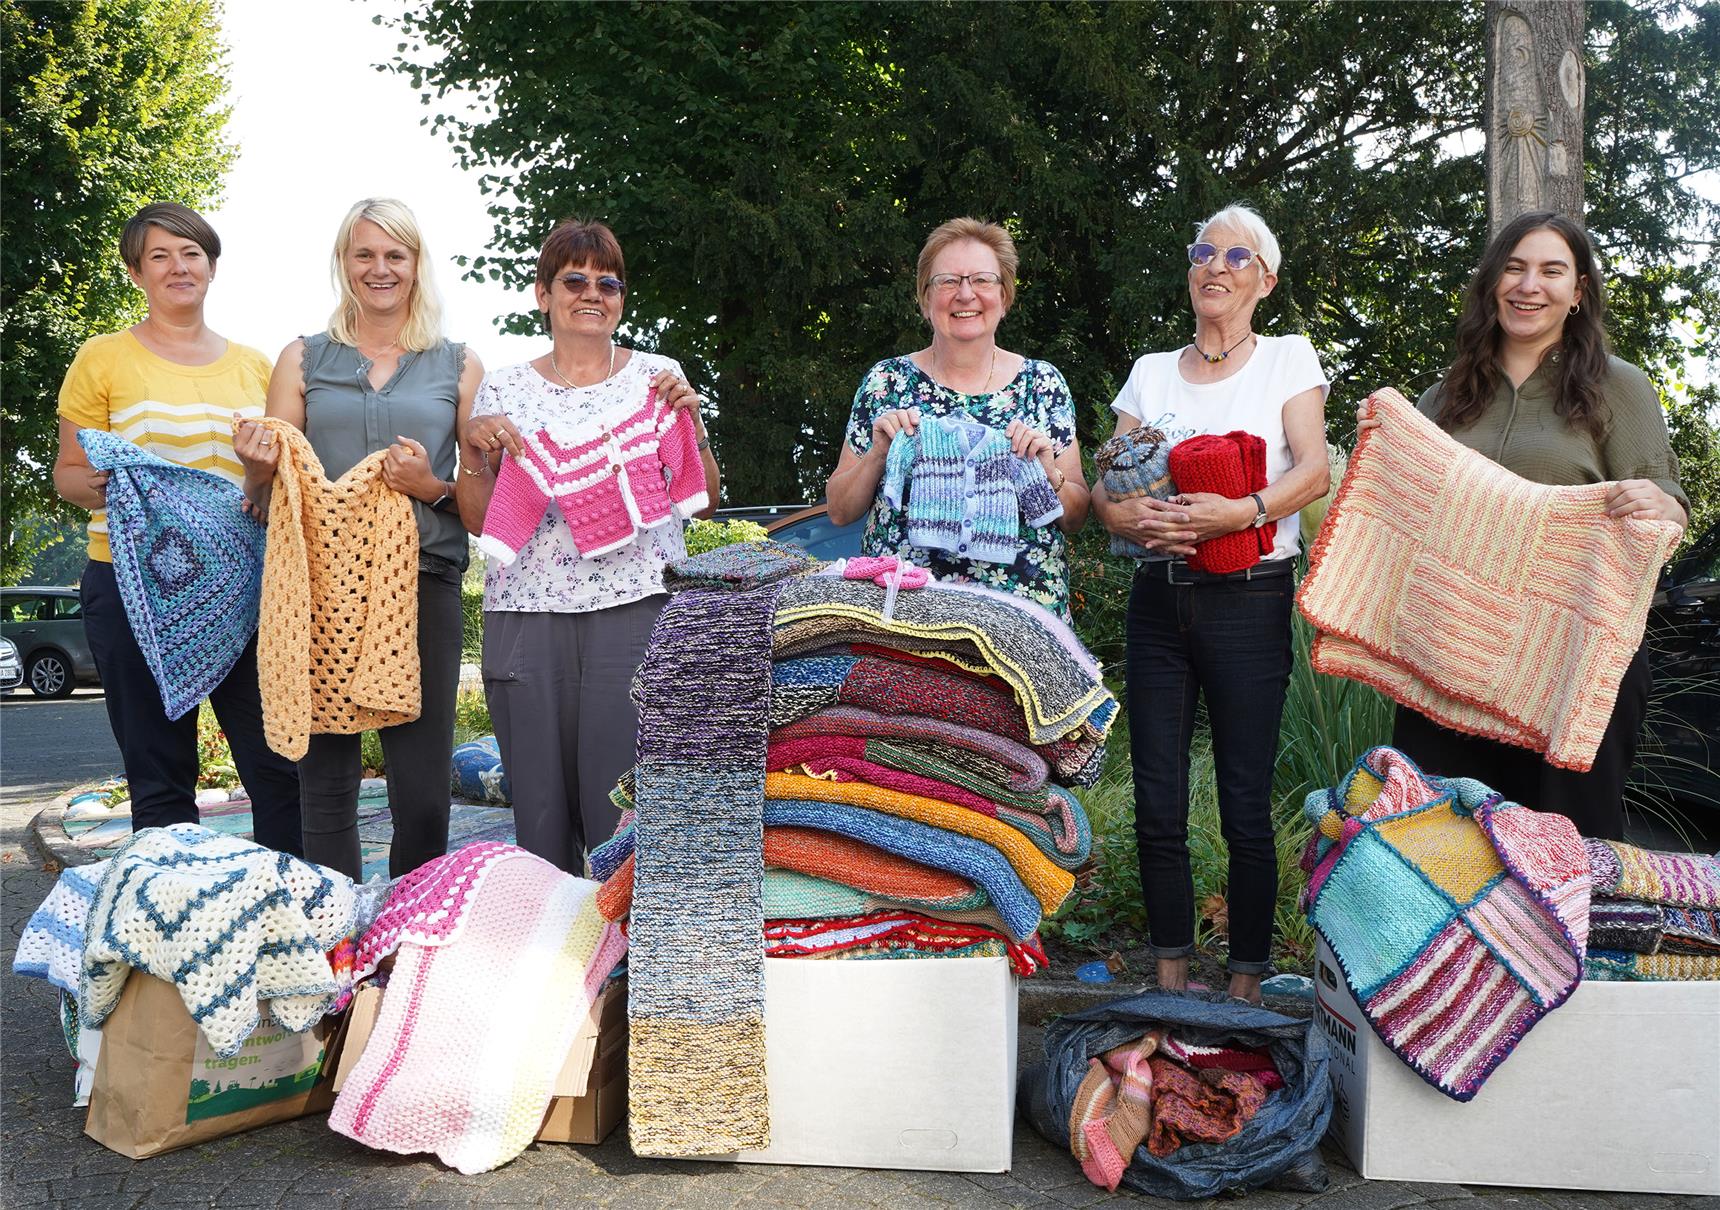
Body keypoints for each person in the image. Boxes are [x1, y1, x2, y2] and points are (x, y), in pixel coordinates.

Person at [1359, 210, 1687, 841]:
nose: (1528, 285)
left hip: (1577, 658)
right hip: (1450, 653)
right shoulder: (1446, 396)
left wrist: (1662, 504)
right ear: (1491, 284)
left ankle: (1568, 946)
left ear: (1578, 292)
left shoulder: (1617, 387)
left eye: (1551, 271)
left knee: (1567, 845)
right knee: (1439, 846)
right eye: (1514, 268)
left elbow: (1669, 506)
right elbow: (1405, 516)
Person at [1092, 203, 1331, 1003]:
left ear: (1265, 279)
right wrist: (1120, 513)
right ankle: (1167, 981)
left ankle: (1245, 992)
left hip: (1248, 599)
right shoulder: (1153, 371)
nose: (1215, 267)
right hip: (1157, 601)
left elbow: (1314, 470)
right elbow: (1106, 484)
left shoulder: (1287, 359)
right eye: (1203, 252)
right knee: (1157, 798)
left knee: (1244, 804)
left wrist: (1247, 511)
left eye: (1236, 256)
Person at [457, 219, 717, 874]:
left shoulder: (658, 379)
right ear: (543, 295)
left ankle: (627, 965)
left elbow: (703, 497)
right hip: (527, 617)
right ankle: (555, 967)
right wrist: (472, 453)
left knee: (626, 812)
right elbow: (480, 518)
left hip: (637, 612)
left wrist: (696, 428)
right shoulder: (504, 390)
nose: (592, 293)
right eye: (574, 279)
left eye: (609, 282)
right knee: (538, 816)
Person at [235, 198, 482, 880]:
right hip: (319, 587)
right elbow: (271, 485)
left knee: (424, 793)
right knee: (327, 787)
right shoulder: (303, 357)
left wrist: (430, 483)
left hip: (422, 580)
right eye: (364, 254)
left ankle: (407, 945)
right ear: (344, 263)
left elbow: (485, 503)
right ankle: (336, 948)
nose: (380, 269)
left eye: (394, 255)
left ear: (416, 264)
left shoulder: (458, 365)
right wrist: (257, 462)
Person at [51, 203, 303, 853]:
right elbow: (69, 475)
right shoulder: (102, 359)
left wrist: (260, 477)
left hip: (246, 596)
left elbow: (282, 484)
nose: (178, 267)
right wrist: (127, 485)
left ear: (212, 267)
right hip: (131, 592)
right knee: (160, 781)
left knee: (280, 770)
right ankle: (174, 936)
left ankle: (289, 923)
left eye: (190, 253)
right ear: (136, 273)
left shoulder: (255, 367)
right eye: (159, 256)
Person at [825, 217, 1089, 617]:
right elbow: (840, 510)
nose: (966, 294)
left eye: (982, 280)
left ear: (1005, 297)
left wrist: (1051, 473)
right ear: (924, 299)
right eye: (948, 281)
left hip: (1025, 620)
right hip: (904, 617)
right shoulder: (887, 381)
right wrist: (879, 452)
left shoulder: (1043, 383)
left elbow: (1076, 516)